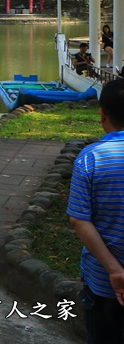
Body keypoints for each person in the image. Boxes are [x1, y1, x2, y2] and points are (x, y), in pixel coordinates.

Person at [68, 79, 124, 342]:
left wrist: (114, 270)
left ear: (102, 114)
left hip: (104, 283)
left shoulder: (91, 158)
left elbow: (79, 220)